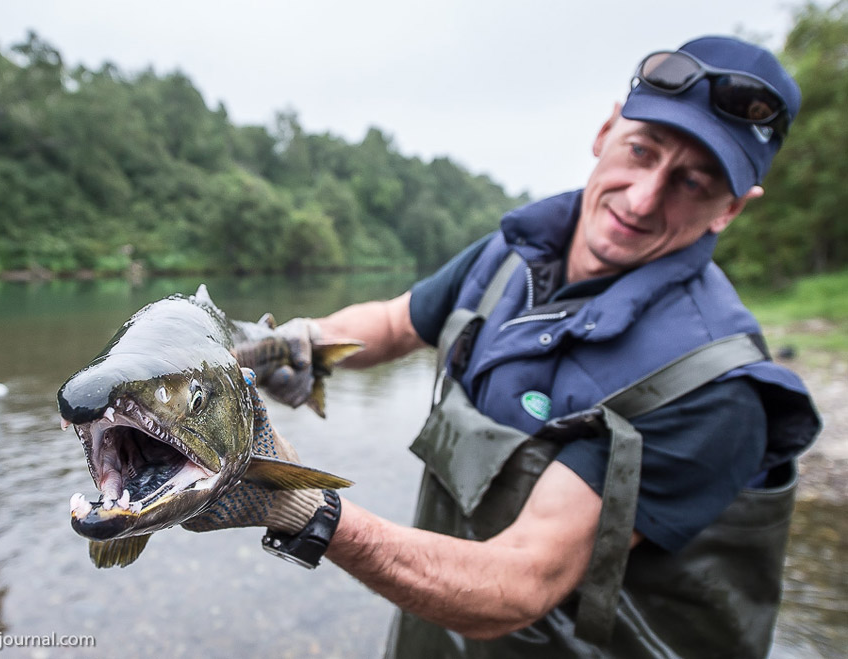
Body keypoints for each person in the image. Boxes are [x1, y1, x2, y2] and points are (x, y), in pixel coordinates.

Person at [183, 36, 820, 658]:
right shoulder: (509, 255)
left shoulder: (717, 389)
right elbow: (396, 321)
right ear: (605, 132)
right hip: (439, 627)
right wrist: (299, 343)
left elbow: (522, 582)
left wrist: (299, 505)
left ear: (730, 209)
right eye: (642, 150)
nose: (644, 197)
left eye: (694, 183)